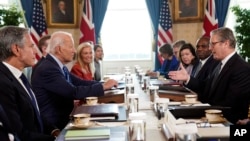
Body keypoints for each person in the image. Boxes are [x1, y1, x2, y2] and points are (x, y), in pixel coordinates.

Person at [31, 31, 118, 130]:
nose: (74, 51)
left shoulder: (57, 65)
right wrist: (103, 87)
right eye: (71, 47)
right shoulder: (48, 68)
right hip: (55, 127)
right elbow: (73, 92)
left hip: (67, 118)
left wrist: (103, 84)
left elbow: (80, 82)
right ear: (59, 49)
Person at [168, 27, 250, 124]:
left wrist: (197, 111)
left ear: (226, 43)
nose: (210, 48)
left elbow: (230, 104)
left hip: (227, 122)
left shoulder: (241, 67)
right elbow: (205, 87)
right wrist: (188, 78)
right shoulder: (219, 64)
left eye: (213, 44)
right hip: (212, 115)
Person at [0, 26, 59, 141]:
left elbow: (33, 111)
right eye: (31, 46)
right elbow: (18, 134)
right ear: (16, 49)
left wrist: (54, 130)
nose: (36, 51)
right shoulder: (3, 82)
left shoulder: (18, 75)